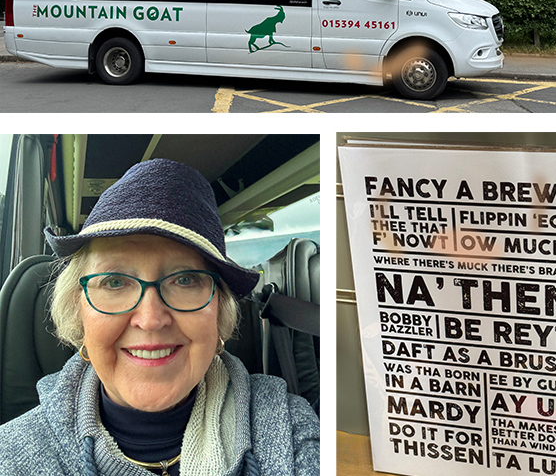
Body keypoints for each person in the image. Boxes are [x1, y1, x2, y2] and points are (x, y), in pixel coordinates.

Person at [0, 159, 319, 475]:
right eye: (114, 282)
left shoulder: (290, 430)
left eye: (185, 280)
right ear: (79, 311)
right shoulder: (12, 456)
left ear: (219, 311)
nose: (151, 319)